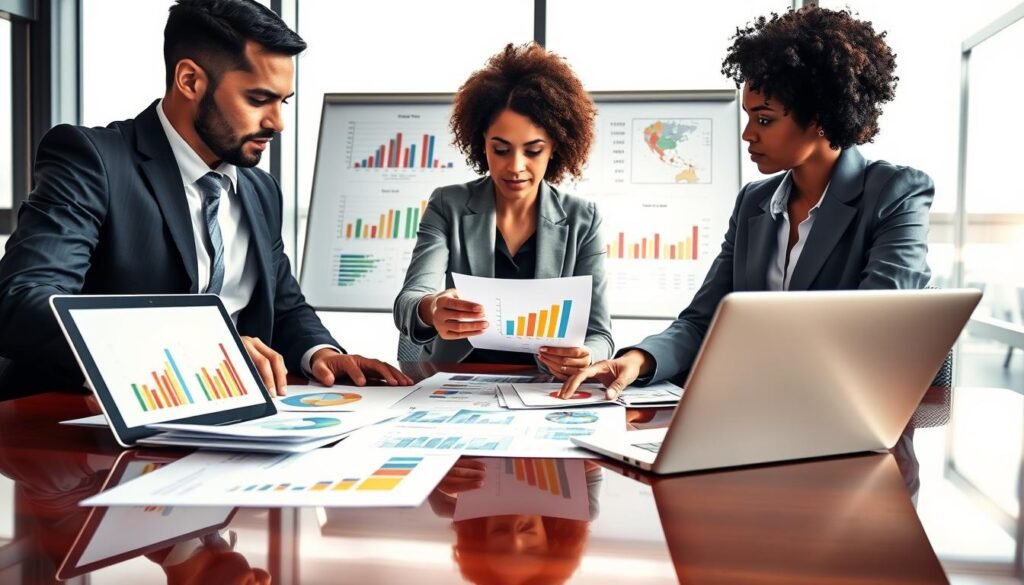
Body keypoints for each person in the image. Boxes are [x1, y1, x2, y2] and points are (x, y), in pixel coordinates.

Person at [0, 0, 412, 397]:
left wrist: (321, 353)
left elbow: (284, 306)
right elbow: (23, 300)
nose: (278, 122)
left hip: (230, 419)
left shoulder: (258, 189)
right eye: (258, 99)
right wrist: (201, 352)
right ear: (190, 81)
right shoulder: (94, 160)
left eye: (283, 102)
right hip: (84, 425)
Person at [561, 5, 933, 398]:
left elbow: (877, 328)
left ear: (820, 117)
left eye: (765, 119)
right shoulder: (755, 202)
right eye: (748, 117)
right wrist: (640, 359)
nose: (747, 135)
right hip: (751, 405)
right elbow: (704, 320)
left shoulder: (896, 194)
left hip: (844, 409)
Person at [393, 43, 613, 375]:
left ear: (555, 146)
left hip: (543, 385)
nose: (515, 166)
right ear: (482, 142)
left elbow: (601, 335)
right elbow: (409, 301)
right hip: (455, 379)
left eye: (533, 150)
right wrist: (432, 307)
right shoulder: (447, 205)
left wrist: (586, 355)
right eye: (501, 149)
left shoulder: (583, 219)